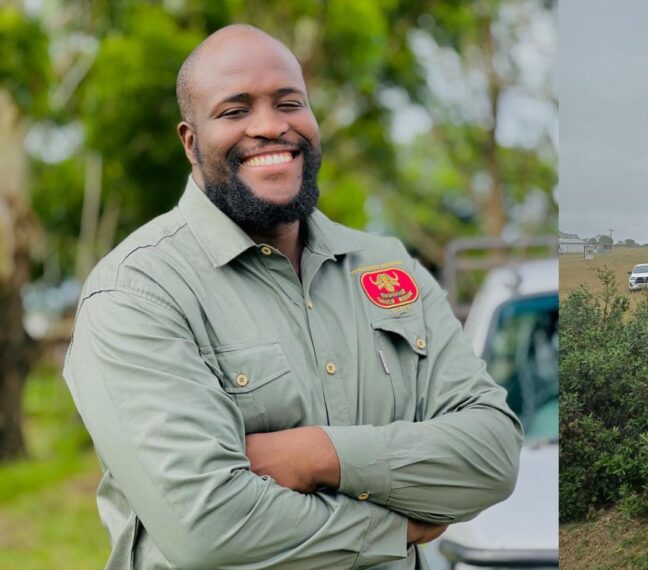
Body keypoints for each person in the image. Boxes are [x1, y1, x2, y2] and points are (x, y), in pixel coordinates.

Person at [62, 25, 522, 569]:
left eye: (289, 103)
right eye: (235, 111)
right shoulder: (138, 293)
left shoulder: (388, 268)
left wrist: (315, 456)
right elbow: (209, 528)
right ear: (190, 141)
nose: (271, 126)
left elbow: (492, 455)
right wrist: (397, 528)